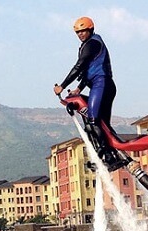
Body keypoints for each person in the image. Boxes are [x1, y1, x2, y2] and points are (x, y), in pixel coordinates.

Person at [54, 16, 117, 161]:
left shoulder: (92, 44)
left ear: (90, 30)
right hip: (101, 85)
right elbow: (87, 71)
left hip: (102, 85)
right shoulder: (89, 44)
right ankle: (108, 153)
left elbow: (79, 66)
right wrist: (79, 89)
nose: (80, 34)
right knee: (101, 124)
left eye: (83, 31)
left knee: (93, 120)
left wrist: (62, 86)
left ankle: (108, 155)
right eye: (78, 32)